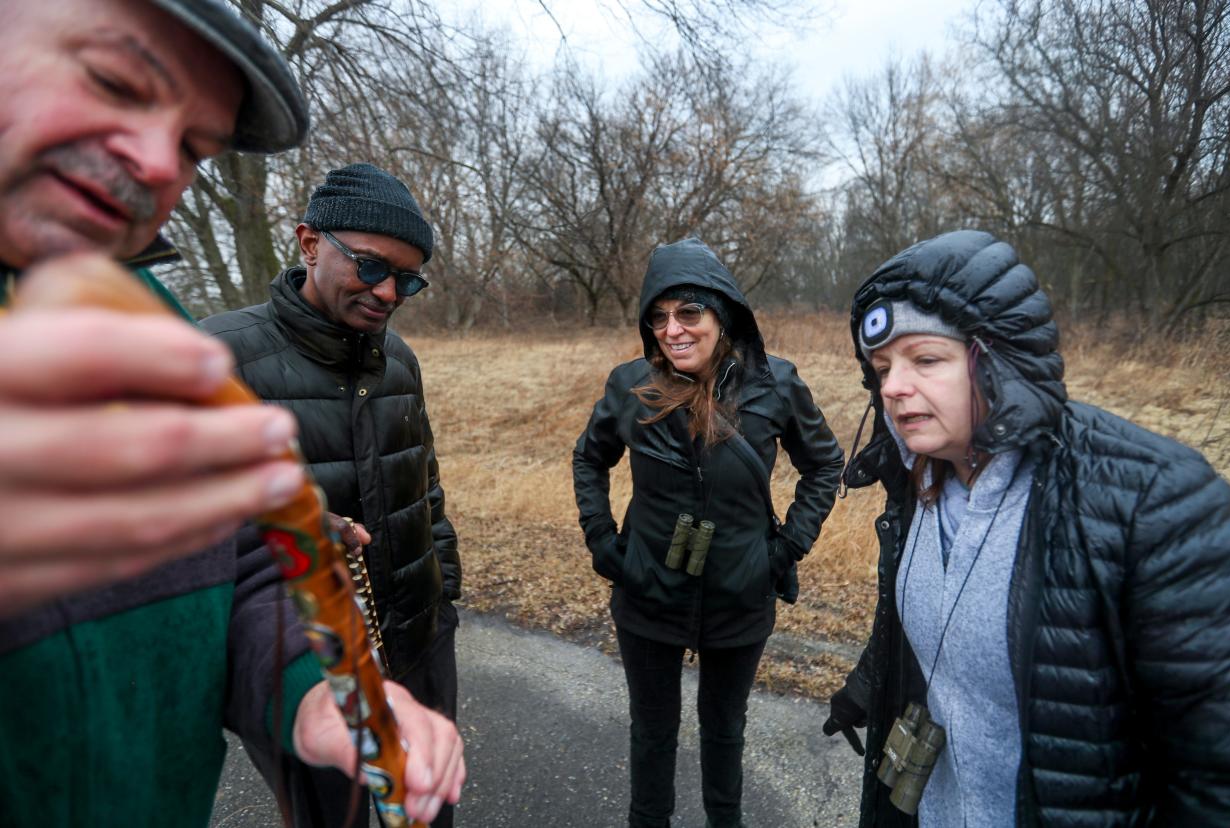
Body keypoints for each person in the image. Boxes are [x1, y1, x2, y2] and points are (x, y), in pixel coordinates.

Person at [0, 2, 463, 825]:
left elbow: (238, 563)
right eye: (112, 81)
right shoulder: (224, 351)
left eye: (192, 148)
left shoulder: (153, 327)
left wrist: (318, 696)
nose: (154, 164)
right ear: (308, 243)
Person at [821, 229, 1230, 826]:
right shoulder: (917, 477)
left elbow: (1219, 775)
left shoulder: (1149, 500)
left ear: (998, 360)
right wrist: (869, 684)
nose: (892, 387)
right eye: (882, 367)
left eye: (926, 359)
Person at [202, 162, 462, 828]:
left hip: (419, 637)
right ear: (310, 242)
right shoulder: (218, 360)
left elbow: (424, 483)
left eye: (407, 280)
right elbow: (196, 536)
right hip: (304, 661)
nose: (388, 293)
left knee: (427, 807)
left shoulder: (398, 357)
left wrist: (444, 589)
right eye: (372, 266)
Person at [573, 237, 844, 828]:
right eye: (660, 317)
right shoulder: (628, 385)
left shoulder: (776, 384)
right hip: (648, 591)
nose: (674, 329)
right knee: (652, 734)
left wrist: (784, 548)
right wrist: (603, 542)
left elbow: (825, 463)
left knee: (725, 732)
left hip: (739, 595)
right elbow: (589, 459)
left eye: (689, 313)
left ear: (723, 316)